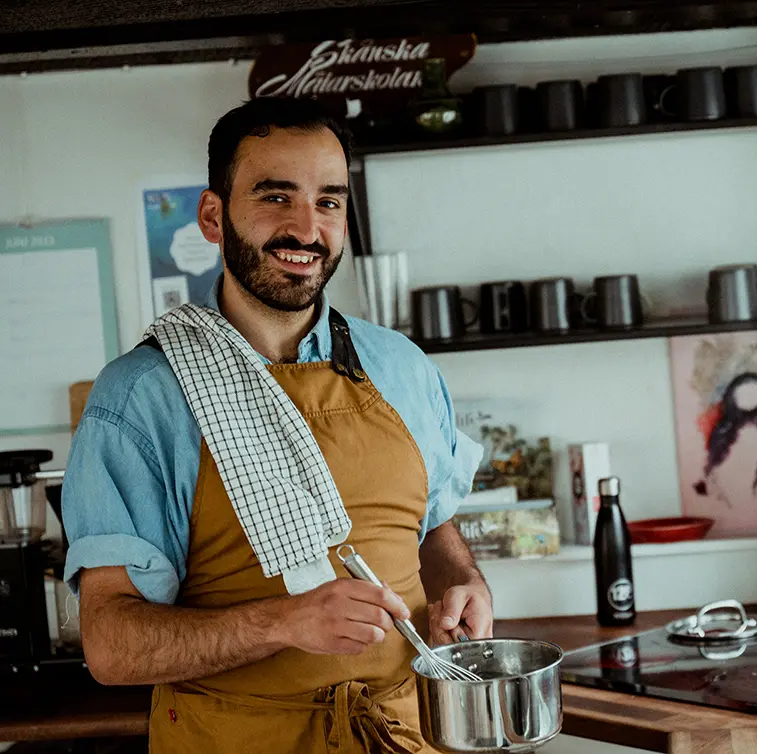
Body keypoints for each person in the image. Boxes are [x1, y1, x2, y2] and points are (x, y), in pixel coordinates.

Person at [61, 97, 488, 753]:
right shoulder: (141, 397)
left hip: (409, 735)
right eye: (275, 197)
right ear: (213, 216)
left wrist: (463, 583)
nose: (306, 228)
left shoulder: (401, 367)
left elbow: (432, 527)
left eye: (329, 202)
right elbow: (111, 646)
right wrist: (282, 622)